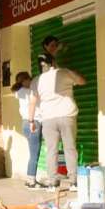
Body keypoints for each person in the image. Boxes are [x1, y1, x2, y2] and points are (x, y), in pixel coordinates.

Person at [29, 54, 85, 190]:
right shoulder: (64, 72)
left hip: (48, 119)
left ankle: (53, 183)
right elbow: (82, 81)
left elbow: (32, 102)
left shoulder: (37, 80)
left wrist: (31, 121)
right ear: (53, 61)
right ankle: (74, 182)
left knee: (51, 151)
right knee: (70, 148)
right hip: (67, 116)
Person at [12, 72, 43, 189]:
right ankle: (31, 181)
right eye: (29, 79)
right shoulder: (30, 92)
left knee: (33, 152)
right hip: (33, 123)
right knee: (34, 153)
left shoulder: (19, 92)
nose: (31, 81)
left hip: (25, 123)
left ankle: (31, 179)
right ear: (24, 80)